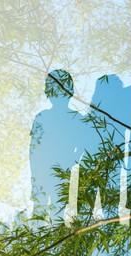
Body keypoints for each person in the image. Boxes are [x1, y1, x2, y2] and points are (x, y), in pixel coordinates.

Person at [30, 70, 87, 214]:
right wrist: (35, 175)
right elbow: (34, 151)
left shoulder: (76, 118)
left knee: (59, 212)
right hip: (44, 173)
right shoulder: (42, 117)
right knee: (41, 211)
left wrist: (70, 162)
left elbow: (82, 146)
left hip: (63, 173)